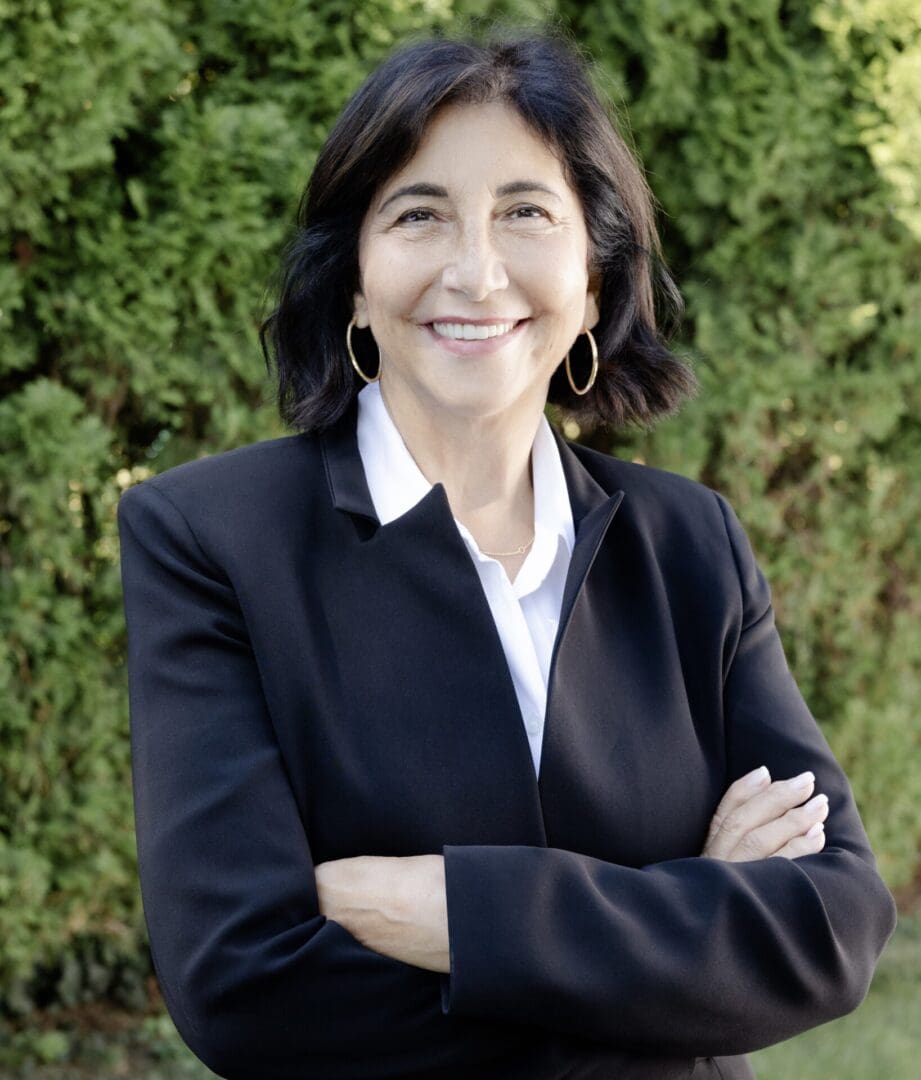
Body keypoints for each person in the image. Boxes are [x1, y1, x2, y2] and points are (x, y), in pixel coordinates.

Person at [116, 29, 897, 1080]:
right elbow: (248, 989)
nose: (475, 272)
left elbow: (832, 925)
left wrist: (457, 913)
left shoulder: (689, 543)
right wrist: (684, 924)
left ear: (592, 272)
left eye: (526, 212)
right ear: (352, 276)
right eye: (419, 215)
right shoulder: (209, 539)